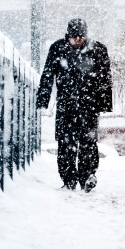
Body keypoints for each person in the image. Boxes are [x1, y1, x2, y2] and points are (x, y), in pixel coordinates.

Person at [36, 18, 113, 192]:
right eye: (75, 37)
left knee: (88, 142)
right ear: (68, 35)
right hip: (66, 105)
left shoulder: (98, 50)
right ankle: (69, 180)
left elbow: (105, 79)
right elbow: (48, 74)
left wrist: (105, 103)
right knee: (65, 144)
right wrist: (43, 98)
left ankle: (87, 176)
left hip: (89, 105)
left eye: (81, 37)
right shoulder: (58, 48)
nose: (78, 40)